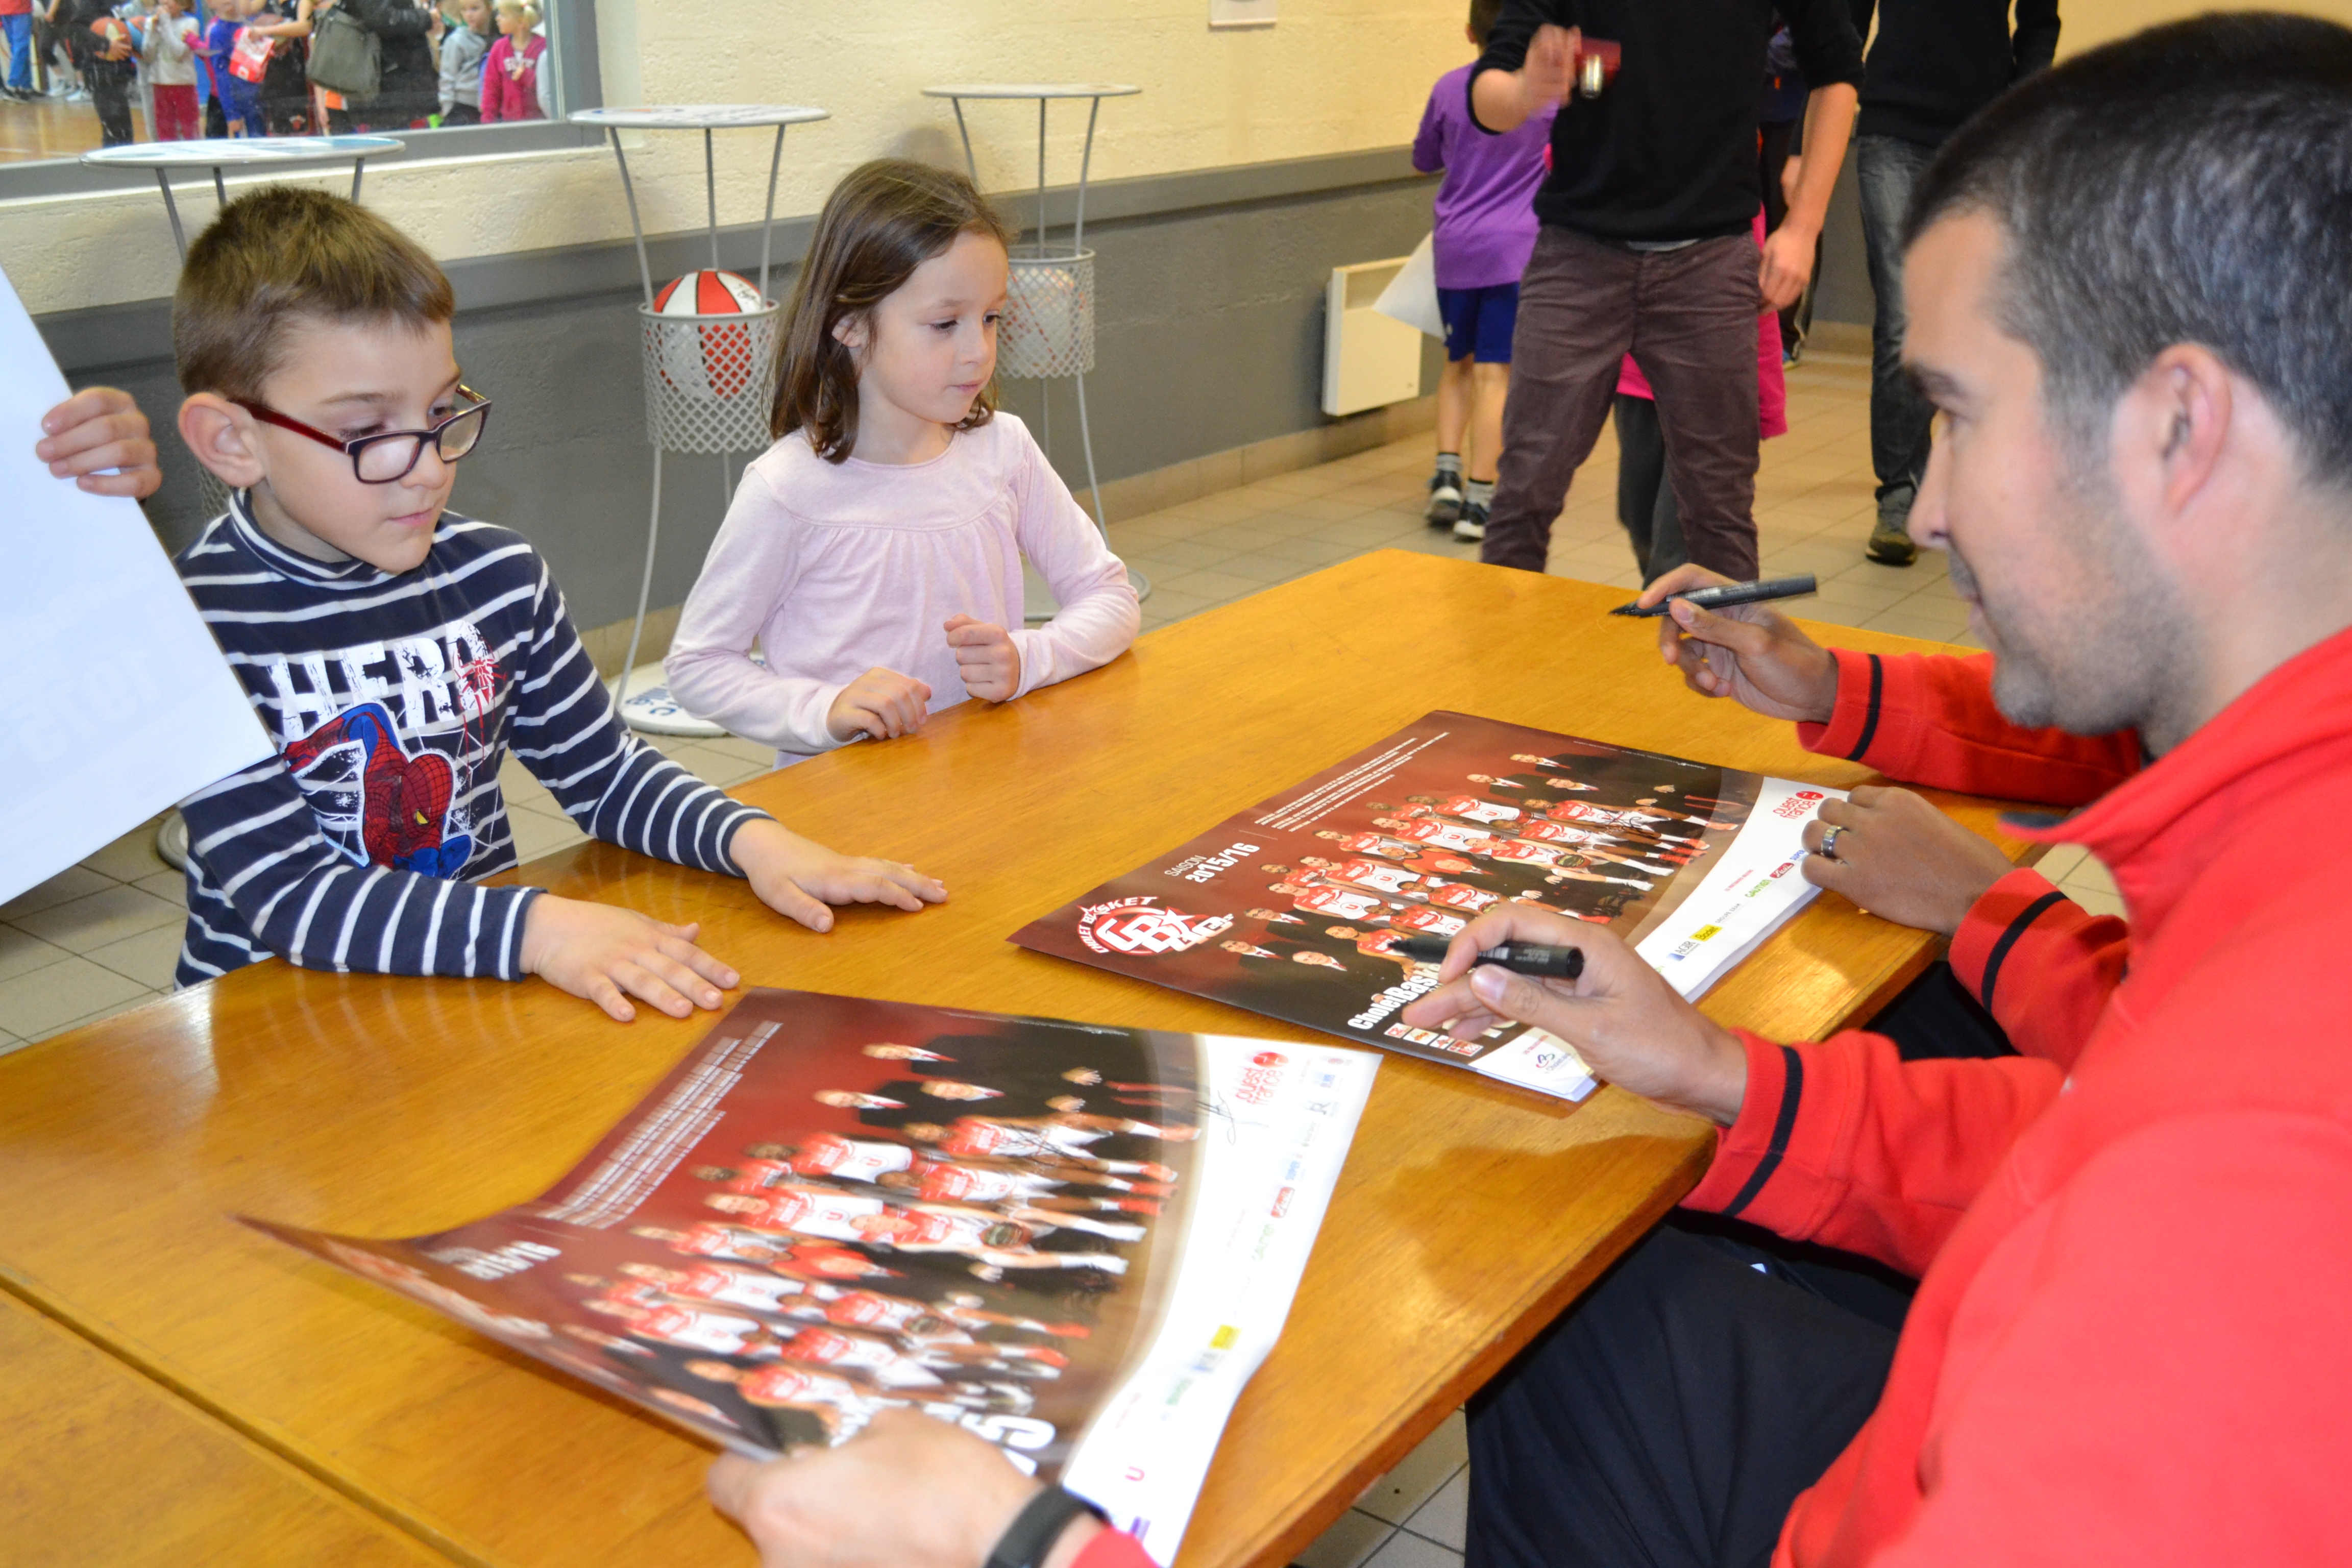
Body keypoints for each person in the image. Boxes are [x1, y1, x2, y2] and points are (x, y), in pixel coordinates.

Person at [1389, 18, 2352, 1565]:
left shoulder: (2254, 1149)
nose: (1938, 504)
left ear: (2183, 424)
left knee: (1565, 1305)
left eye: (1962, 413)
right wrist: (1720, 1069)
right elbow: (2069, 1121)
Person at [161, 186, 945, 1017]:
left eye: (439, 413)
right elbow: (293, 899)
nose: (429, 466)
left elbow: (606, 776)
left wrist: (757, 841)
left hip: (464, 979)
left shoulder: (497, 575)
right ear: (232, 440)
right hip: (275, 1023)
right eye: (367, 433)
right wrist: (539, 929)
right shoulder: (190, 628)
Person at [664, 160, 1140, 765]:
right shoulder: (787, 489)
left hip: (985, 790)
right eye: (945, 324)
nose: (978, 352)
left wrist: (1029, 658)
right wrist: (824, 709)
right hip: (845, 819)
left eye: (991, 318)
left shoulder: (1005, 451)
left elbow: (1111, 598)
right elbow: (699, 666)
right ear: (850, 324)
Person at [1470, 3, 1862, 583]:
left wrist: (1804, 226)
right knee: (1526, 488)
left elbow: (1839, 72)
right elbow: (1488, 95)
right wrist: (1528, 87)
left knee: (1718, 508)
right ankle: (1494, 664)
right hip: (1578, 258)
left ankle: (1732, 667)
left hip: (1710, 263)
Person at [1847, 0, 2061, 567]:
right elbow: (1846, 21)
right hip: (1889, 131)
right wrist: (1805, 139)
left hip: (1979, 141)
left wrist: (2018, 111)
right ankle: (1898, 495)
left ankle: (1969, 482)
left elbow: (2040, 25)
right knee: (1904, 317)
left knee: (1973, 323)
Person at [1410, 0, 1554, 540]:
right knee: (1497, 375)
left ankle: (1444, 474)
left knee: (1457, 365)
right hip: (1515, 254)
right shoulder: (1543, 101)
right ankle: (1479, 499)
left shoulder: (1449, 88)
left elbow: (1424, 158)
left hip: (1455, 250)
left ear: (1470, 31)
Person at [1610, 210, 1788, 582]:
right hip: (1637, 379)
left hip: (1715, 381)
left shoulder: (1728, 183)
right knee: (1637, 517)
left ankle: (1681, 620)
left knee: (1681, 547)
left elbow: (1757, 297)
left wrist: (1764, 397)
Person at [140, 0, 197, 137]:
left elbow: (179, 53)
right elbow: (147, 56)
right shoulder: (151, 22)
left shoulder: (191, 23)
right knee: (165, 131)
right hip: (159, 83)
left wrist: (165, 25)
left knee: (189, 129)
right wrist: (153, 31)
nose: (165, 3)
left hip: (183, 82)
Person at [473, 0, 531, 121]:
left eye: (503, 15)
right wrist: (488, 123)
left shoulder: (542, 47)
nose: (497, 19)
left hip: (539, 123)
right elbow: (490, 92)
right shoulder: (499, 49)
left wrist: (528, 76)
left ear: (520, 20)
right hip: (508, 123)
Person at [432, 0, 482, 123]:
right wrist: (448, 109)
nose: (469, 15)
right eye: (464, 10)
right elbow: (447, 77)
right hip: (463, 108)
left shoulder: (499, 40)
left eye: (474, 9)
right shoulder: (456, 40)